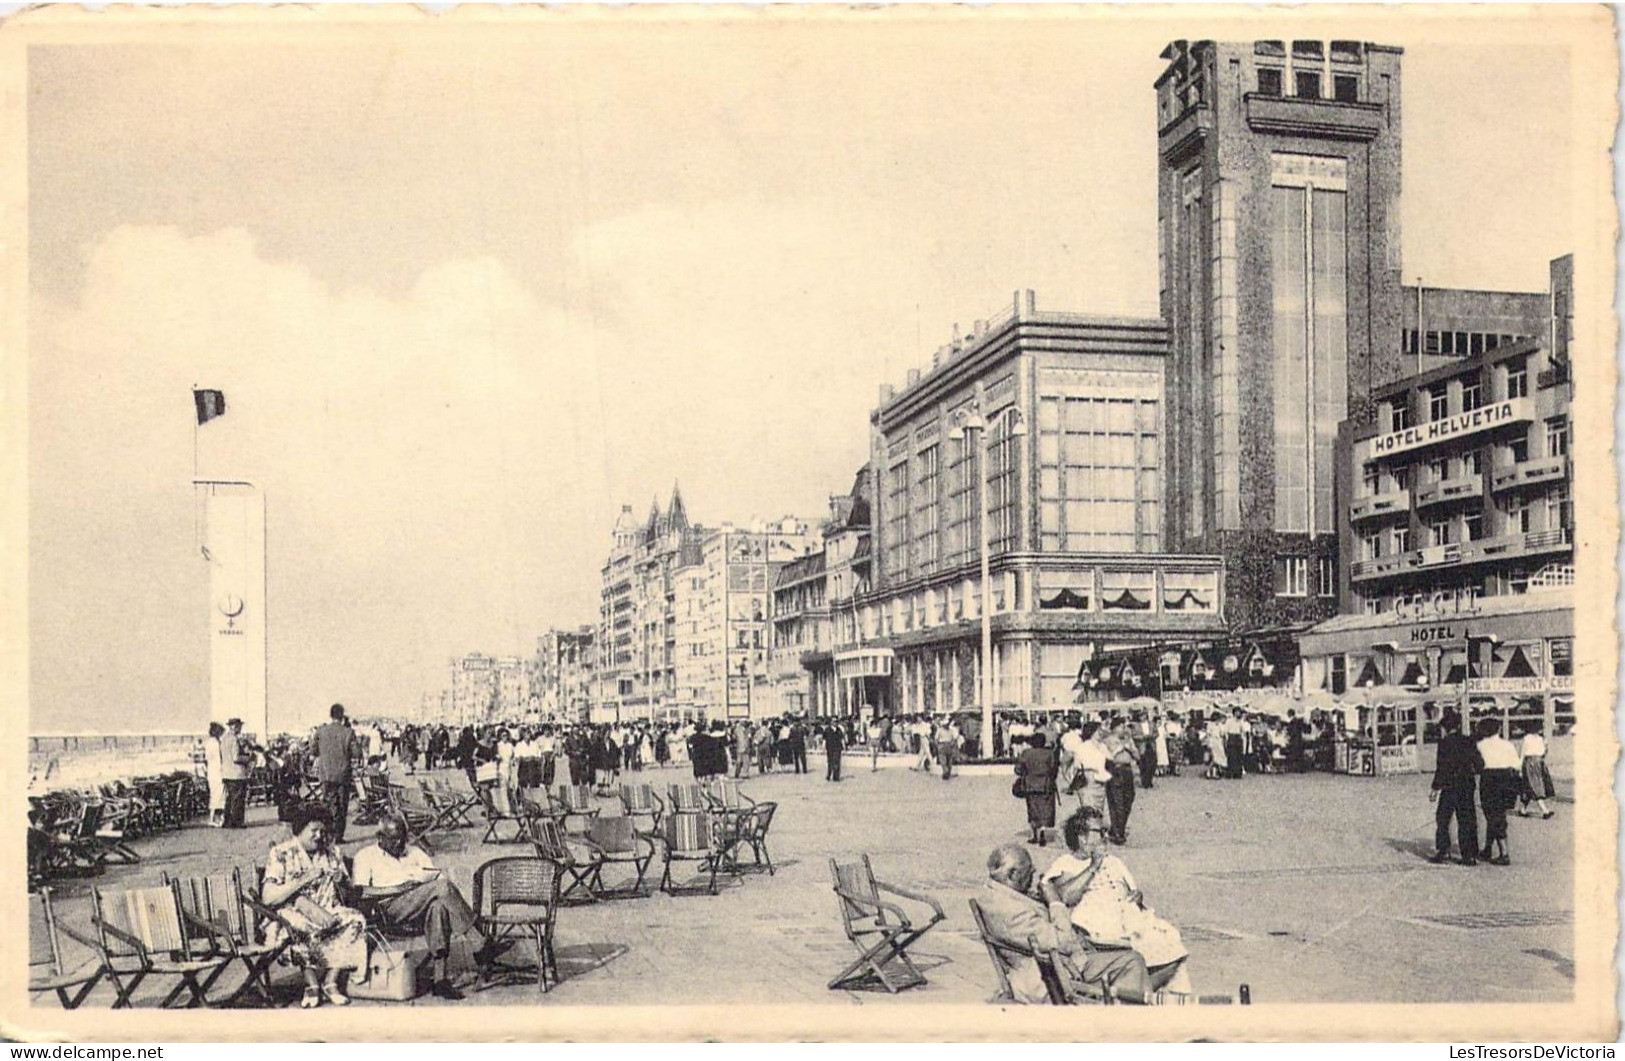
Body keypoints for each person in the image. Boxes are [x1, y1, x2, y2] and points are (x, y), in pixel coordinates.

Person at [977, 843, 1150, 1004]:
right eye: (1029, 870)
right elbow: (1063, 941)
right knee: (1133, 961)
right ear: (1012, 874)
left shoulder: (996, 895)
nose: (1034, 873)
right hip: (1051, 976)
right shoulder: (1008, 911)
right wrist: (1054, 901)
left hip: (1055, 963)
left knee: (1124, 954)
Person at [352, 815, 500, 1000]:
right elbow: (361, 893)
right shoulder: (365, 856)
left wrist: (422, 884)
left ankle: (440, 980)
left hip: (421, 903)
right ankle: (479, 943)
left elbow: (435, 877)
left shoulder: (415, 852)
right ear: (379, 837)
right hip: (389, 908)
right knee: (443, 887)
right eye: (394, 839)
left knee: (439, 905)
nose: (400, 843)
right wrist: (396, 888)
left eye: (403, 838)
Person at [1043, 810, 1192, 993]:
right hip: (1097, 928)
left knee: (1174, 950)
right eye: (1100, 831)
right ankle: (1132, 995)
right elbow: (1065, 897)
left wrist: (1138, 896)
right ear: (1082, 837)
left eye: (1106, 831)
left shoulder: (1114, 861)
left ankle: (1133, 992)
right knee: (1162, 951)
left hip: (1130, 922)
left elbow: (1133, 894)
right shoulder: (1066, 863)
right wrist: (1093, 866)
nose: (1106, 836)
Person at [261, 802, 368, 1008]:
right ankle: (311, 984)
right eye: (314, 831)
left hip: (327, 909)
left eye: (323, 831)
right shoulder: (281, 853)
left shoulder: (331, 852)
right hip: (293, 911)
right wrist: (303, 879)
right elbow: (268, 898)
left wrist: (341, 881)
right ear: (300, 829)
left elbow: (348, 893)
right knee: (300, 926)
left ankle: (330, 980)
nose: (319, 836)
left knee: (356, 920)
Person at [1428, 710, 1482, 866]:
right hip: (1466, 784)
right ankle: (1469, 855)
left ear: (1445, 727)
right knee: (1467, 819)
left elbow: (1442, 767)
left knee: (1443, 818)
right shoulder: (1468, 741)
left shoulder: (1444, 743)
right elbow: (1479, 763)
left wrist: (1435, 788)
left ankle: (1443, 850)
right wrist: (1476, 771)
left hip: (1450, 785)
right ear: (1458, 726)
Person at [311, 704, 360, 843]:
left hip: (326, 774)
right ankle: (338, 836)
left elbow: (313, 751)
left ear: (330, 715)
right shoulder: (348, 732)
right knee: (342, 806)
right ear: (342, 716)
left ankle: (326, 835)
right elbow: (357, 753)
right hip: (343, 775)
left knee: (327, 805)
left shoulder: (321, 731)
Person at [1476, 717, 1521, 866]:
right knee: (1498, 814)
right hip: (1507, 779)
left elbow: (1477, 766)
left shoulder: (1480, 745)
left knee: (1492, 814)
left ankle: (1504, 853)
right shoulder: (1508, 745)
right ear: (1498, 729)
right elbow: (1516, 764)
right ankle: (1488, 848)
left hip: (1489, 779)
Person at [1014, 731, 1058, 846]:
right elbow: (1054, 769)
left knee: (1033, 809)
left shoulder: (1026, 753)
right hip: (1046, 784)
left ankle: (1034, 834)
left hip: (1030, 785)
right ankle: (1043, 831)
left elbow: (1018, 770)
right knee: (1045, 808)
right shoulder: (1049, 753)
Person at [1104, 719, 1138, 845]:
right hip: (1115, 770)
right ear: (1114, 728)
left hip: (1127, 771)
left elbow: (1138, 756)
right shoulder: (1107, 741)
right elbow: (1107, 757)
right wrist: (1118, 749)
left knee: (1128, 800)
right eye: (1121, 726)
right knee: (1117, 802)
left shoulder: (1128, 740)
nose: (1124, 729)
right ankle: (1119, 833)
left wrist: (1131, 749)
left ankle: (1117, 828)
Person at [219, 718, 253, 829]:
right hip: (237, 774)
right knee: (238, 799)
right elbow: (236, 757)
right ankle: (237, 822)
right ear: (235, 727)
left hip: (226, 773)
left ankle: (227, 821)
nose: (240, 728)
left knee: (229, 799)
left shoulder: (223, 739)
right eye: (239, 726)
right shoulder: (234, 739)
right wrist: (248, 758)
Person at [1516, 726, 1556, 819]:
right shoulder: (1529, 739)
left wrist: (1546, 747)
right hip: (1532, 763)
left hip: (1536, 763)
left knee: (1529, 786)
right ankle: (1545, 811)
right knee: (1535, 786)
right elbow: (1522, 754)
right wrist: (1519, 768)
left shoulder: (1539, 739)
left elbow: (1544, 753)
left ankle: (1523, 810)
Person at [204, 722, 227, 828]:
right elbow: (219, 759)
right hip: (218, 772)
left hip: (211, 771)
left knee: (214, 795)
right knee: (220, 795)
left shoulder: (208, 743)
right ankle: (218, 818)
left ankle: (212, 817)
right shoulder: (216, 743)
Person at [934, 716, 960, 781]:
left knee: (948, 760)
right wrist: (938, 746)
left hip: (947, 745)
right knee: (944, 760)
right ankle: (946, 772)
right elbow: (936, 739)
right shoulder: (941, 730)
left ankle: (947, 773)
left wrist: (938, 745)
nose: (947, 725)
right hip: (944, 745)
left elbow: (955, 738)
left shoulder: (949, 730)